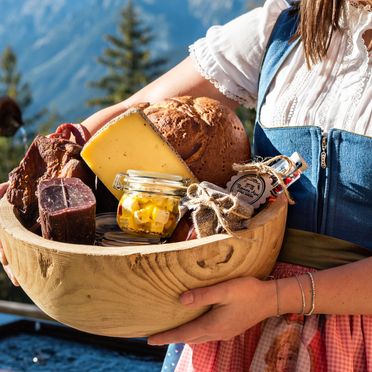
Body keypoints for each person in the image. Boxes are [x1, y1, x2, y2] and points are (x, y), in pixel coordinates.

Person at [1, 0, 371, 370]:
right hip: (229, 318)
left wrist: (274, 298)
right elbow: (133, 115)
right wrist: (26, 193)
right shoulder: (284, 28)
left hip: (347, 337)